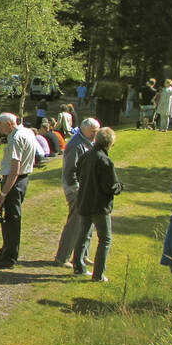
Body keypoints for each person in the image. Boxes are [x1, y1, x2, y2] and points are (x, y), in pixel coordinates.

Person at [71, 127, 121, 282]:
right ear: (109, 143)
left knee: (83, 235)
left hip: (84, 200)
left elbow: (78, 174)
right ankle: (98, 275)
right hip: (99, 206)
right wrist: (119, 186)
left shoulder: (86, 156)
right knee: (105, 239)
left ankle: (78, 267)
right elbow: (110, 187)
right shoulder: (105, 161)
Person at [0, 113, 36, 269]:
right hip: (21, 179)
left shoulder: (17, 138)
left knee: (11, 220)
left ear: (9, 123)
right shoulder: (27, 132)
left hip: (14, 181)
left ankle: (10, 257)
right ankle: (5, 250)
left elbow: (15, 169)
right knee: (8, 218)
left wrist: (3, 194)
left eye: (0, 125)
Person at [54, 117, 99, 269]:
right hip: (77, 190)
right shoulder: (75, 145)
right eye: (93, 131)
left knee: (88, 222)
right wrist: (78, 191)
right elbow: (69, 172)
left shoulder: (88, 141)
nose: (95, 134)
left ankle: (82, 255)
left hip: (86, 188)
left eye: (97, 131)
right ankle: (62, 257)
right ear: (84, 130)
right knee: (75, 223)